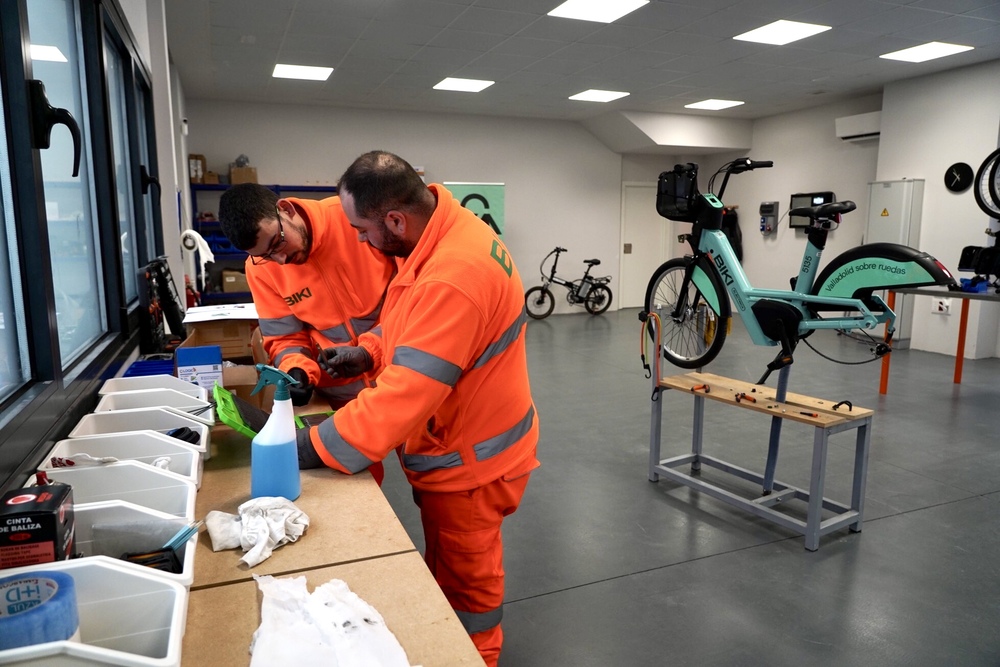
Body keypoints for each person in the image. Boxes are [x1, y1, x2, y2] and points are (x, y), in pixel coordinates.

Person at [296, 151, 539, 666]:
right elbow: (416, 323)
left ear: (395, 220)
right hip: (465, 443)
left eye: (363, 229)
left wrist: (315, 443)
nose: (360, 241)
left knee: (466, 592)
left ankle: (476, 658)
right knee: (448, 571)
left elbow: (407, 393)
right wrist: (372, 350)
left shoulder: (454, 272)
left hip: (471, 462)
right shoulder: (441, 235)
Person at [217, 183, 397, 483]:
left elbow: (412, 303)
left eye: (277, 243)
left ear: (286, 210)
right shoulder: (261, 268)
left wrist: (371, 350)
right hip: (344, 397)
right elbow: (284, 337)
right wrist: (296, 369)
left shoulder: (355, 222)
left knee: (438, 484)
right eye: (264, 255)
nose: (280, 261)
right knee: (361, 483)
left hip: (405, 375)